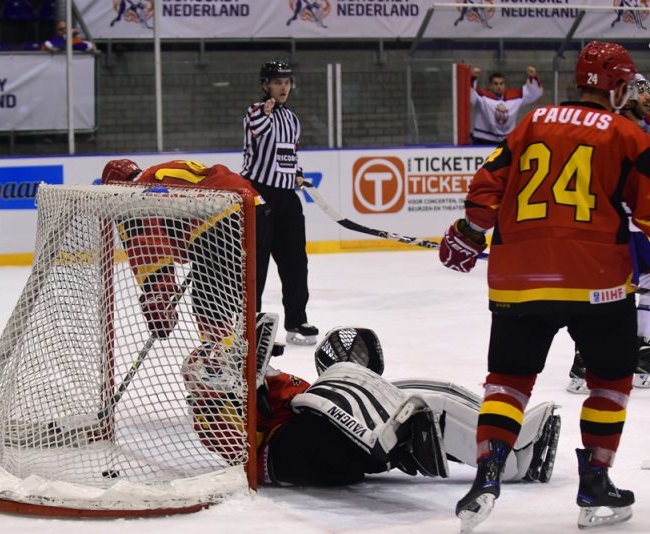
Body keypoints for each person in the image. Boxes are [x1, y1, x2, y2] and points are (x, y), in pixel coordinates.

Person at [439, 41, 650, 532]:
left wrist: (471, 232)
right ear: (618, 85)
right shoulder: (629, 135)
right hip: (596, 281)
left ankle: (486, 478)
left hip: (519, 278)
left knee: (508, 381)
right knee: (609, 381)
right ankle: (595, 484)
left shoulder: (533, 123)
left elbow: (487, 185)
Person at [188, 319, 560, 488]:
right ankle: (381, 438)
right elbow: (245, 449)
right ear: (218, 379)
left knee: (422, 399)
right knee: (331, 390)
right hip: (295, 460)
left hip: (321, 450)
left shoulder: (266, 384)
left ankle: (511, 452)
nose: (266, 363)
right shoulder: (213, 416)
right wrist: (250, 391)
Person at [568, 73, 650, 393]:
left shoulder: (631, 128)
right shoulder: (613, 127)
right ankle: (585, 363)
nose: (648, 99)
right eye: (642, 92)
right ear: (625, 95)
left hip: (627, 223)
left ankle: (639, 354)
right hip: (610, 225)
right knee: (608, 291)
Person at [101, 158, 264, 345]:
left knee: (208, 300)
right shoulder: (159, 172)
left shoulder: (133, 194)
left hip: (223, 217)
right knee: (235, 291)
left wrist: (158, 295)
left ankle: (222, 355)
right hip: (255, 207)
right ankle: (249, 349)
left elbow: (146, 244)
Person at [241, 60, 317, 346]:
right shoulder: (255, 112)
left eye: (287, 82)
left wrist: (297, 174)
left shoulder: (292, 119)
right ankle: (252, 322)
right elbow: (257, 131)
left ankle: (297, 320)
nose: (284, 87)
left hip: (287, 197)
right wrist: (265, 111)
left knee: (296, 262)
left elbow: (289, 155)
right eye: (277, 82)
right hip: (260, 195)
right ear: (265, 85)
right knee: (256, 264)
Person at [469, 65, 542, 145]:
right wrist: (472, 78)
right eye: (495, 84)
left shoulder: (515, 96)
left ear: (504, 85)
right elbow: (470, 95)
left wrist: (533, 77)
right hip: (483, 139)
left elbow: (534, 94)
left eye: (501, 83)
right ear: (490, 86)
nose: (499, 86)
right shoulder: (482, 96)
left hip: (507, 140)